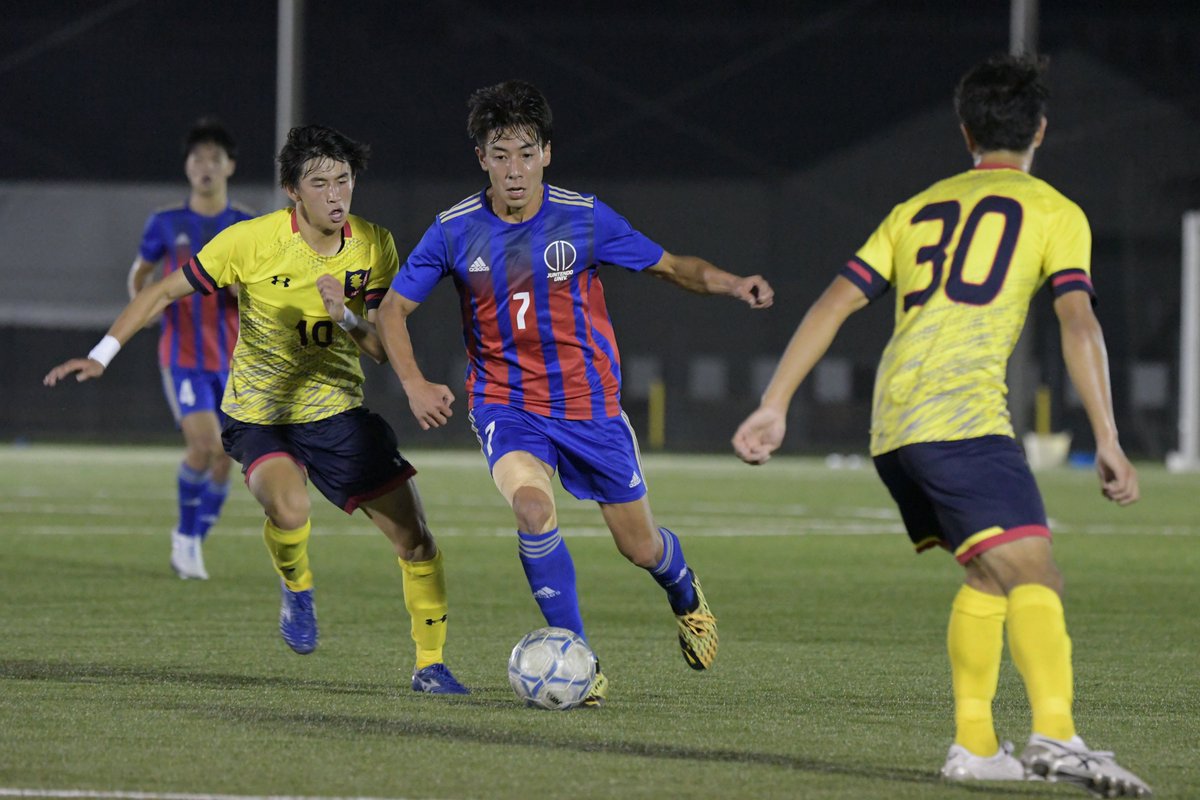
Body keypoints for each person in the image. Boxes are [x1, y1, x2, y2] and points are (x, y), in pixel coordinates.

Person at [732, 55, 1151, 796]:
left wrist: (775, 401)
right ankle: (1057, 736)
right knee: (1035, 572)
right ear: (1041, 132)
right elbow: (1077, 323)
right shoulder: (1054, 211)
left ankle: (976, 746)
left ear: (965, 133)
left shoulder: (917, 208)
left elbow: (834, 300)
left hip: (893, 426)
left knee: (991, 574)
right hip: (961, 418)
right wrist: (1109, 436)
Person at [376, 79, 774, 707]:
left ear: (547, 155)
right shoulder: (452, 231)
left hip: (591, 410)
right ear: (481, 158)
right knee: (532, 511)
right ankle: (579, 661)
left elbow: (672, 266)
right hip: (506, 405)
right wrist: (415, 382)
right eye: (500, 154)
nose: (514, 170)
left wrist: (732, 284)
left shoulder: (584, 217)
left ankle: (685, 593)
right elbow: (393, 309)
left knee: (640, 547)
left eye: (526, 153)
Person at [45, 125, 468, 695]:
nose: (336, 194)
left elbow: (378, 347)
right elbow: (163, 291)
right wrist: (102, 354)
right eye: (320, 183)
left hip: (338, 414)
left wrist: (345, 317)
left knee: (416, 539)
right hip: (260, 415)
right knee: (290, 510)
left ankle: (431, 666)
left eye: (343, 180)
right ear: (294, 190)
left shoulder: (374, 244)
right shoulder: (251, 241)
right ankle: (297, 587)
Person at [128, 118, 254, 580]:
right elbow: (139, 275)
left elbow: (257, 285)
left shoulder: (244, 224)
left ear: (230, 167)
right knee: (204, 446)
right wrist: (142, 305)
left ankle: (194, 540)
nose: (205, 166)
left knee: (227, 456)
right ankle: (186, 538)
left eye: (214, 159)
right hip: (183, 357)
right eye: (197, 158)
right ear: (187, 168)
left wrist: (242, 289)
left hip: (235, 360)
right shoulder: (166, 222)